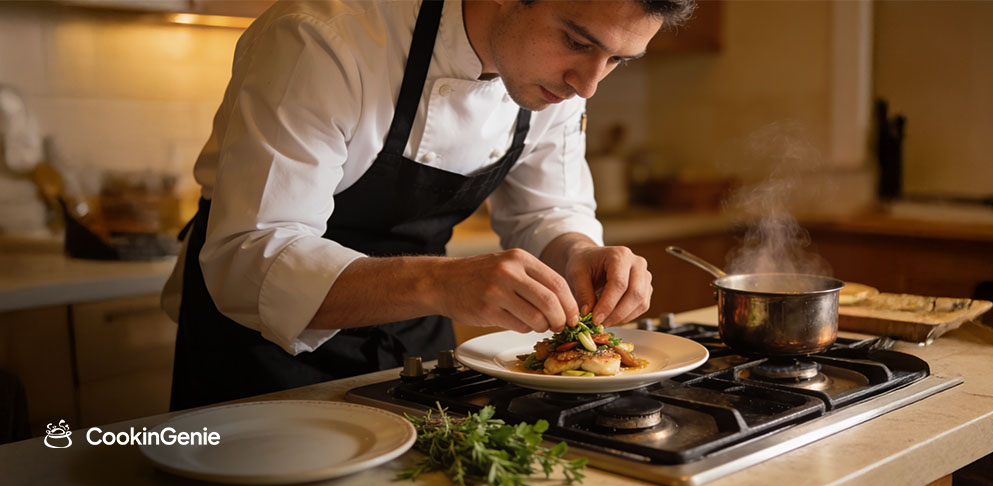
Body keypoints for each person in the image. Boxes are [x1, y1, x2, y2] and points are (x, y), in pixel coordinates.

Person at [162, 0, 695, 411]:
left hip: (416, 341)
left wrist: (579, 251)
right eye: (577, 42)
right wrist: (442, 282)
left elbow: (544, 213)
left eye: (618, 60)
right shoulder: (322, 36)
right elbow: (249, 257)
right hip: (260, 353)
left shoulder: (554, 84)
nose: (589, 85)